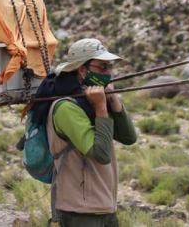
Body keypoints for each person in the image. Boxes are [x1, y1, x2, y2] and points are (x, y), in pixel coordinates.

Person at [43, 38, 137, 227]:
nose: (108, 73)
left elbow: (129, 138)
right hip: (80, 212)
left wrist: (114, 102)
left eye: (110, 67)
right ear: (83, 70)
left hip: (104, 207)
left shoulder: (91, 101)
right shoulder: (65, 107)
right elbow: (101, 154)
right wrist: (101, 108)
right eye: (102, 67)